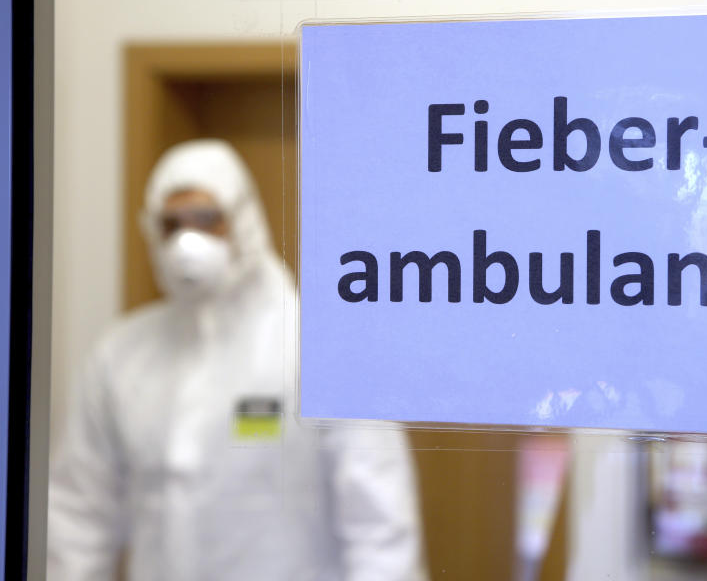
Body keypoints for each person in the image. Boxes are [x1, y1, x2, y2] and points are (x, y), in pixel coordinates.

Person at [47, 139, 426, 581]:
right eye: (172, 224)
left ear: (243, 220)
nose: (188, 240)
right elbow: (79, 517)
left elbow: (380, 529)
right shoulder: (121, 354)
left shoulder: (326, 348)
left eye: (208, 219)